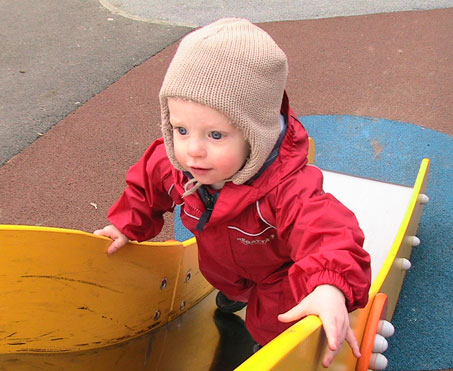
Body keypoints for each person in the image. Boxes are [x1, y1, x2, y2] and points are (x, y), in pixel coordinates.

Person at [94, 18, 371, 368]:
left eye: (215, 135)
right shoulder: (176, 165)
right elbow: (145, 189)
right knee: (225, 281)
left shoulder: (288, 189)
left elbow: (330, 235)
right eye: (180, 129)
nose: (193, 150)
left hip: (277, 274)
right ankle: (234, 294)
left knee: (270, 322)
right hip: (225, 264)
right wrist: (125, 226)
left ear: (255, 136)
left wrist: (329, 287)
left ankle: (269, 351)